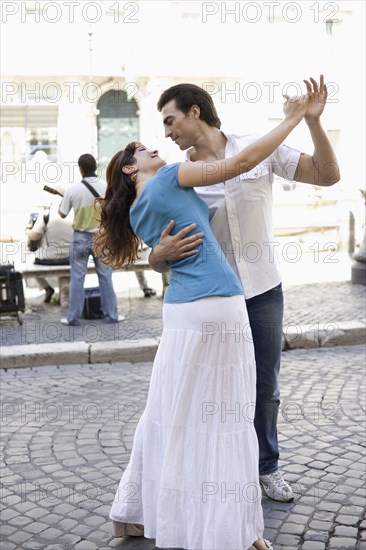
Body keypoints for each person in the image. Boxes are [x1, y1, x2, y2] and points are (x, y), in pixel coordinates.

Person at [94, 94, 309, 549]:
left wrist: (156, 256)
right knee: (228, 414)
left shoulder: (135, 209)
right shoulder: (172, 175)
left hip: (182, 311)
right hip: (218, 304)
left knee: (171, 410)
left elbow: (163, 249)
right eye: (141, 150)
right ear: (132, 169)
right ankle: (233, 529)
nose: (156, 145)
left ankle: (135, 513)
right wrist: (291, 120)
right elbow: (244, 160)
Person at [150, 76, 340, 502]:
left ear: (194, 111)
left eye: (169, 120)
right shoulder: (177, 174)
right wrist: (158, 255)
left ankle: (265, 467)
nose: (166, 132)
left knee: (264, 384)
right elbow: (153, 250)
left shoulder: (258, 145)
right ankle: (211, 470)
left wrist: (312, 123)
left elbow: (328, 176)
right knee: (208, 385)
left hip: (262, 289)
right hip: (210, 299)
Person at [58, 153, 123, 326]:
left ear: (80, 169)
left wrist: (66, 198)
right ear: (95, 167)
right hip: (102, 238)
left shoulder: (72, 190)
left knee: (77, 278)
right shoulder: (106, 187)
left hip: (79, 238)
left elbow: (62, 213)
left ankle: (73, 317)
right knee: (105, 277)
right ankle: (111, 315)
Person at [25, 205, 72, 303]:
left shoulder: (46, 215)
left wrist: (27, 231)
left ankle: (47, 288)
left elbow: (35, 236)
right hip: (68, 258)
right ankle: (65, 293)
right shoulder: (73, 214)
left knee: (28, 264)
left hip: (48, 259)